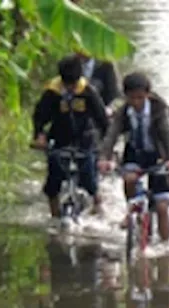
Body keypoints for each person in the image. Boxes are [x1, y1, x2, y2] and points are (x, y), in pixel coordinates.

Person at [97, 72, 169, 243]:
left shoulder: (159, 110)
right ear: (126, 96)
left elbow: (168, 133)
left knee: (162, 206)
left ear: (148, 95)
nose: (136, 102)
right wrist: (104, 157)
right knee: (129, 179)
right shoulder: (122, 113)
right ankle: (132, 210)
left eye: (140, 98)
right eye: (132, 98)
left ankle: (166, 248)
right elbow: (111, 135)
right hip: (135, 154)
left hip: (159, 156)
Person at [32, 55, 110, 219]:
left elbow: (101, 119)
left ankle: (98, 204)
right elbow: (39, 116)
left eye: (73, 85)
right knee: (53, 181)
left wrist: (105, 145)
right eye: (67, 85)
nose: (70, 89)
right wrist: (39, 135)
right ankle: (54, 216)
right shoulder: (52, 92)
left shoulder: (88, 92)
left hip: (85, 139)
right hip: (59, 139)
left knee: (89, 178)